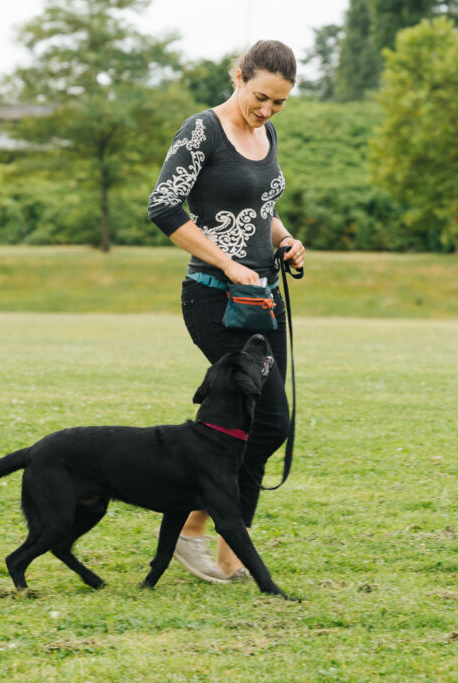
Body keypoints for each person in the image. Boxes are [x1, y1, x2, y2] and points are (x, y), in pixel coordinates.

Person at [147, 40, 306, 584]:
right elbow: (164, 207)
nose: (267, 110)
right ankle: (193, 531)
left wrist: (285, 240)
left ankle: (225, 551)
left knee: (260, 427)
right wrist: (230, 262)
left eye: (280, 103)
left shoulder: (267, 132)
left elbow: (261, 205)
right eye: (260, 97)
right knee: (268, 422)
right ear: (238, 76)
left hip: (262, 296)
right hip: (217, 298)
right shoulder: (201, 131)